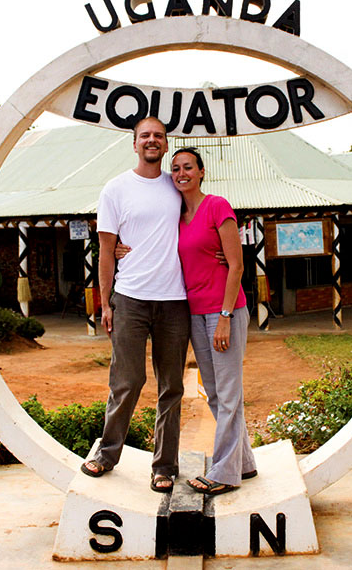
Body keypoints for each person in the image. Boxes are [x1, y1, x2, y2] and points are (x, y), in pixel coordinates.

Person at [120, 147, 257, 495]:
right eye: (176, 168)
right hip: (194, 311)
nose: (181, 173)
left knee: (227, 393)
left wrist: (225, 316)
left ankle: (224, 473)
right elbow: (152, 243)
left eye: (188, 167)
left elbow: (237, 265)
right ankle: (244, 462)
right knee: (214, 392)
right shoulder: (176, 216)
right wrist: (122, 247)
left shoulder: (217, 206)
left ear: (201, 172)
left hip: (223, 311)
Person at [81, 117, 190, 494]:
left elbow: (200, 225)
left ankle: (164, 466)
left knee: (171, 386)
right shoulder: (115, 189)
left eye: (158, 136)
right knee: (126, 381)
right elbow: (107, 250)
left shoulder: (177, 185)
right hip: (129, 299)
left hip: (175, 300)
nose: (152, 141)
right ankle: (107, 453)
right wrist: (105, 302)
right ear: (134, 144)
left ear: (165, 143)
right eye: (145, 135)